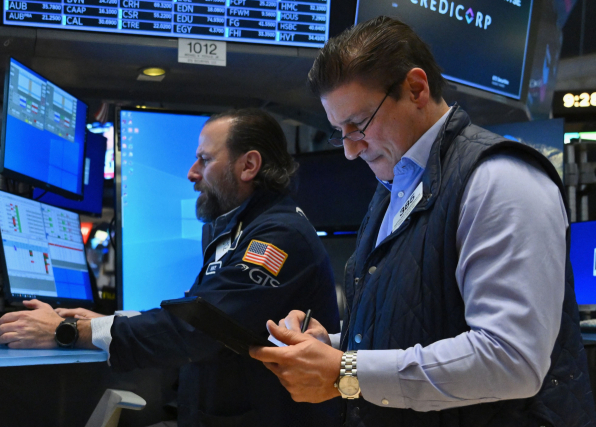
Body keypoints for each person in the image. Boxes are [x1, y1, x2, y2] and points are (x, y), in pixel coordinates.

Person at [250, 16, 596, 427]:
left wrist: (346, 372)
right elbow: (420, 327)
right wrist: (330, 349)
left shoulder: (499, 179)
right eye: (338, 132)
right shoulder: (392, 188)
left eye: (358, 126)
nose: (348, 150)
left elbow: (510, 360)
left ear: (416, 88)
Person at [0, 108, 341, 427]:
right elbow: (195, 315)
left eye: (204, 160)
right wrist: (102, 322)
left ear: (249, 165)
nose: (192, 173)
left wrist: (68, 332)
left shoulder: (278, 236)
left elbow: (198, 331)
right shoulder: (240, 230)